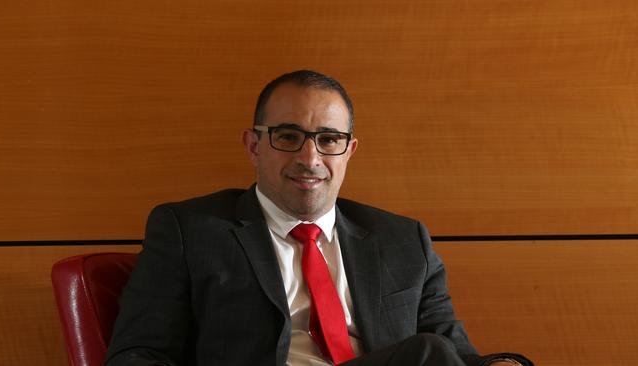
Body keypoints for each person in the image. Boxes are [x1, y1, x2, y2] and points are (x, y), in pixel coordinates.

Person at [105, 70, 532, 366]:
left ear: (349, 151)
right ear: (254, 146)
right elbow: (138, 353)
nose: (310, 158)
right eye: (288, 137)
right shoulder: (189, 230)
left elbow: (457, 353)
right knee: (428, 355)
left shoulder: (403, 240)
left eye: (329, 140)